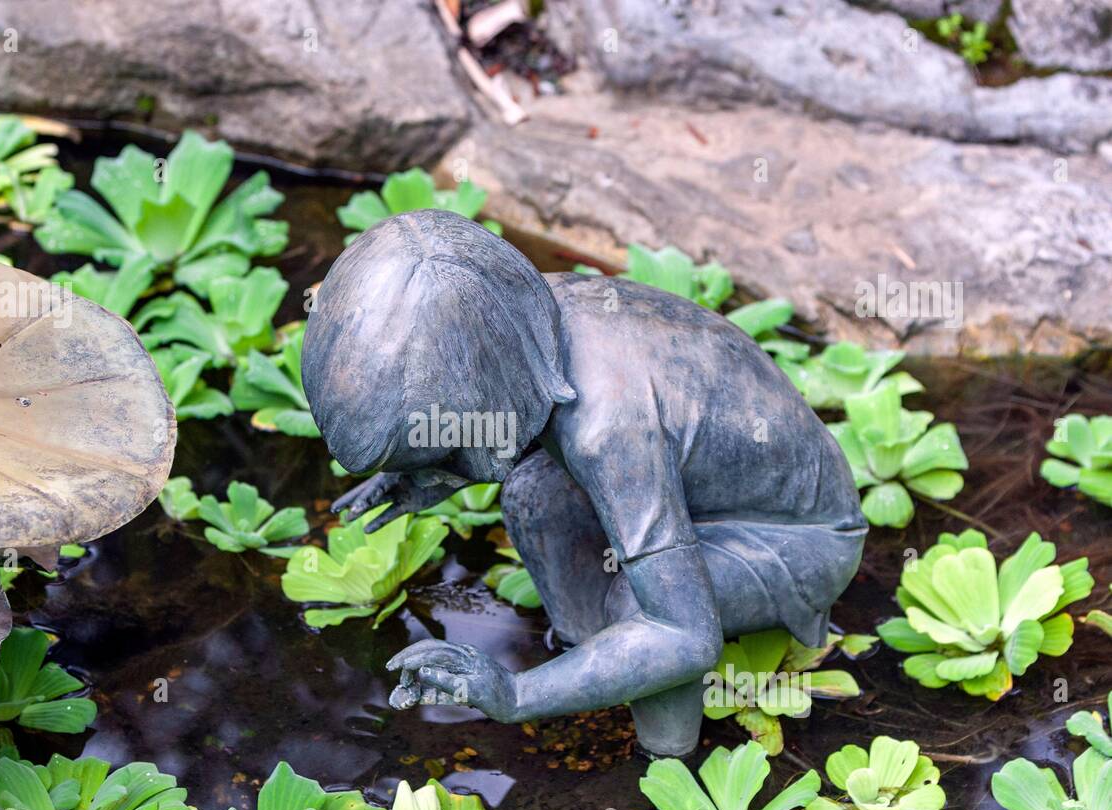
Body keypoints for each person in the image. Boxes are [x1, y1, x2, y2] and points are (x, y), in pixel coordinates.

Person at [303, 209, 866, 755]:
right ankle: (592, 658)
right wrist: (427, 476)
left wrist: (516, 694)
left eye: (442, 441)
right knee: (532, 493)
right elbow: (515, 417)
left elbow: (684, 636)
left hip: (801, 539)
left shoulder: (610, 424)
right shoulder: (520, 306)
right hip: (705, 493)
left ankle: (668, 752)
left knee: (643, 611)